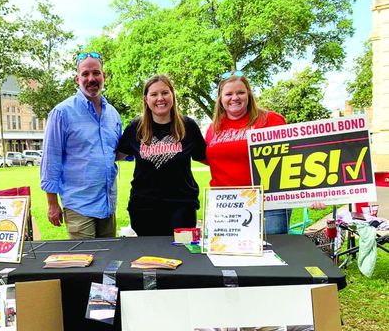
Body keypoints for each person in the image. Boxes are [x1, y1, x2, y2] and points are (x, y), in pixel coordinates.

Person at [40, 52, 122, 239]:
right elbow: (51, 160)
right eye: (85, 74)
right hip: (79, 205)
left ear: (104, 76)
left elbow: (116, 152)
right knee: (85, 261)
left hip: (108, 204)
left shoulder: (113, 115)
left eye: (96, 73)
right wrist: (52, 204)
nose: (91, 78)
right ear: (77, 79)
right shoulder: (62, 113)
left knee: (108, 258)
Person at [205, 70, 294, 234]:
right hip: (226, 205)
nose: (235, 98)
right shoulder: (214, 128)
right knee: (228, 256)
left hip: (267, 203)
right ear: (220, 99)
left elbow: (295, 157)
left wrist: (314, 193)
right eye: (228, 94)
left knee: (271, 252)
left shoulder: (271, 120)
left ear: (249, 94)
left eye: (240, 92)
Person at [117, 75, 206, 236]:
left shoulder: (188, 126)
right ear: (146, 99)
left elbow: (207, 157)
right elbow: (114, 155)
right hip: (144, 208)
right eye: (154, 94)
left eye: (165, 93)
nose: (160, 98)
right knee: (150, 258)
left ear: (172, 94)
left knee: (182, 255)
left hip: (182, 207)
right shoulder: (135, 128)